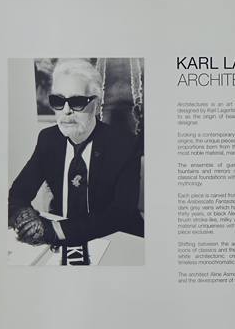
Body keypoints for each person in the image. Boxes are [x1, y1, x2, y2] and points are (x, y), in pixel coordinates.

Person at [8, 59, 144, 264]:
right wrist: (26, 219)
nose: (66, 111)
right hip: (60, 249)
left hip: (118, 242)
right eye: (58, 101)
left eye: (77, 102)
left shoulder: (124, 145)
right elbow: (18, 193)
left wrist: (53, 229)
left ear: (96, 102)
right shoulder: (48, 140)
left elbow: (120, 214)